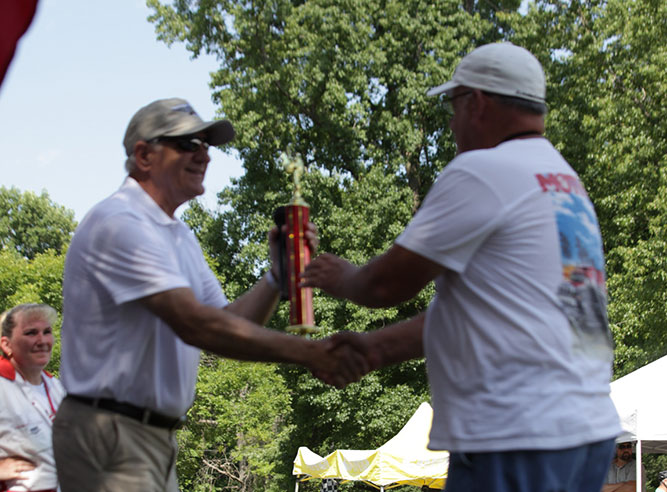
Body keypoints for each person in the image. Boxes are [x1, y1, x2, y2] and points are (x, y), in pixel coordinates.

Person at [302, 42, 621, 492]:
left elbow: (385, 286)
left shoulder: (484, 171)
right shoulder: (565, 184)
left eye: (453, 106)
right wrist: (376, 350)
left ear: (478, 102)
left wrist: (341, 277)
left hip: (515, 435)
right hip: (583, 433)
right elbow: (482, 316)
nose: (451, 124)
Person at [52, 97, 365, 492]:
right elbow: (197, 325)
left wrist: (275, 277)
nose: (204, 156)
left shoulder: (178, 235)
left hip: (150, 436)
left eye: (206, 145)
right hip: (111, 433)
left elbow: (228, 324)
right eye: (187, 144)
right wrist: (313, 353)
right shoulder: (119, 224)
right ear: (144, 155)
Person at [0, 303, 66, 492]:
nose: (42, 340)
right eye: (30, 333)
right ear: (6, 344)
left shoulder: (56, 387)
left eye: (46, 331)